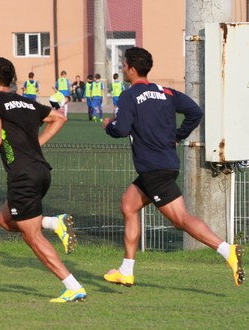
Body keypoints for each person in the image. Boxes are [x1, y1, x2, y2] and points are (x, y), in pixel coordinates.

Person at [102, 47, 244, 287]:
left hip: (153, 170)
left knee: (180, 219)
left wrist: (109, 126)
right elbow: (194, 112)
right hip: (165, 164)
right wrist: (179, 134)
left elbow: (122, 129)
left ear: (132, 69)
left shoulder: (129, 96)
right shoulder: (165, 91)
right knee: (128, 205)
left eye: (124, 64)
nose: (122, 68)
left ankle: (226, 250)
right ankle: (126, 270)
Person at [0, 57, 87, 303]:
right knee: (4, 219)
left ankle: (72, 286)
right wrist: (37, 145)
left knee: (31, 236)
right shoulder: (26, 102)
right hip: (41, 170)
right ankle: (54, 223)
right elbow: (60, 118)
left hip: (23, 174)